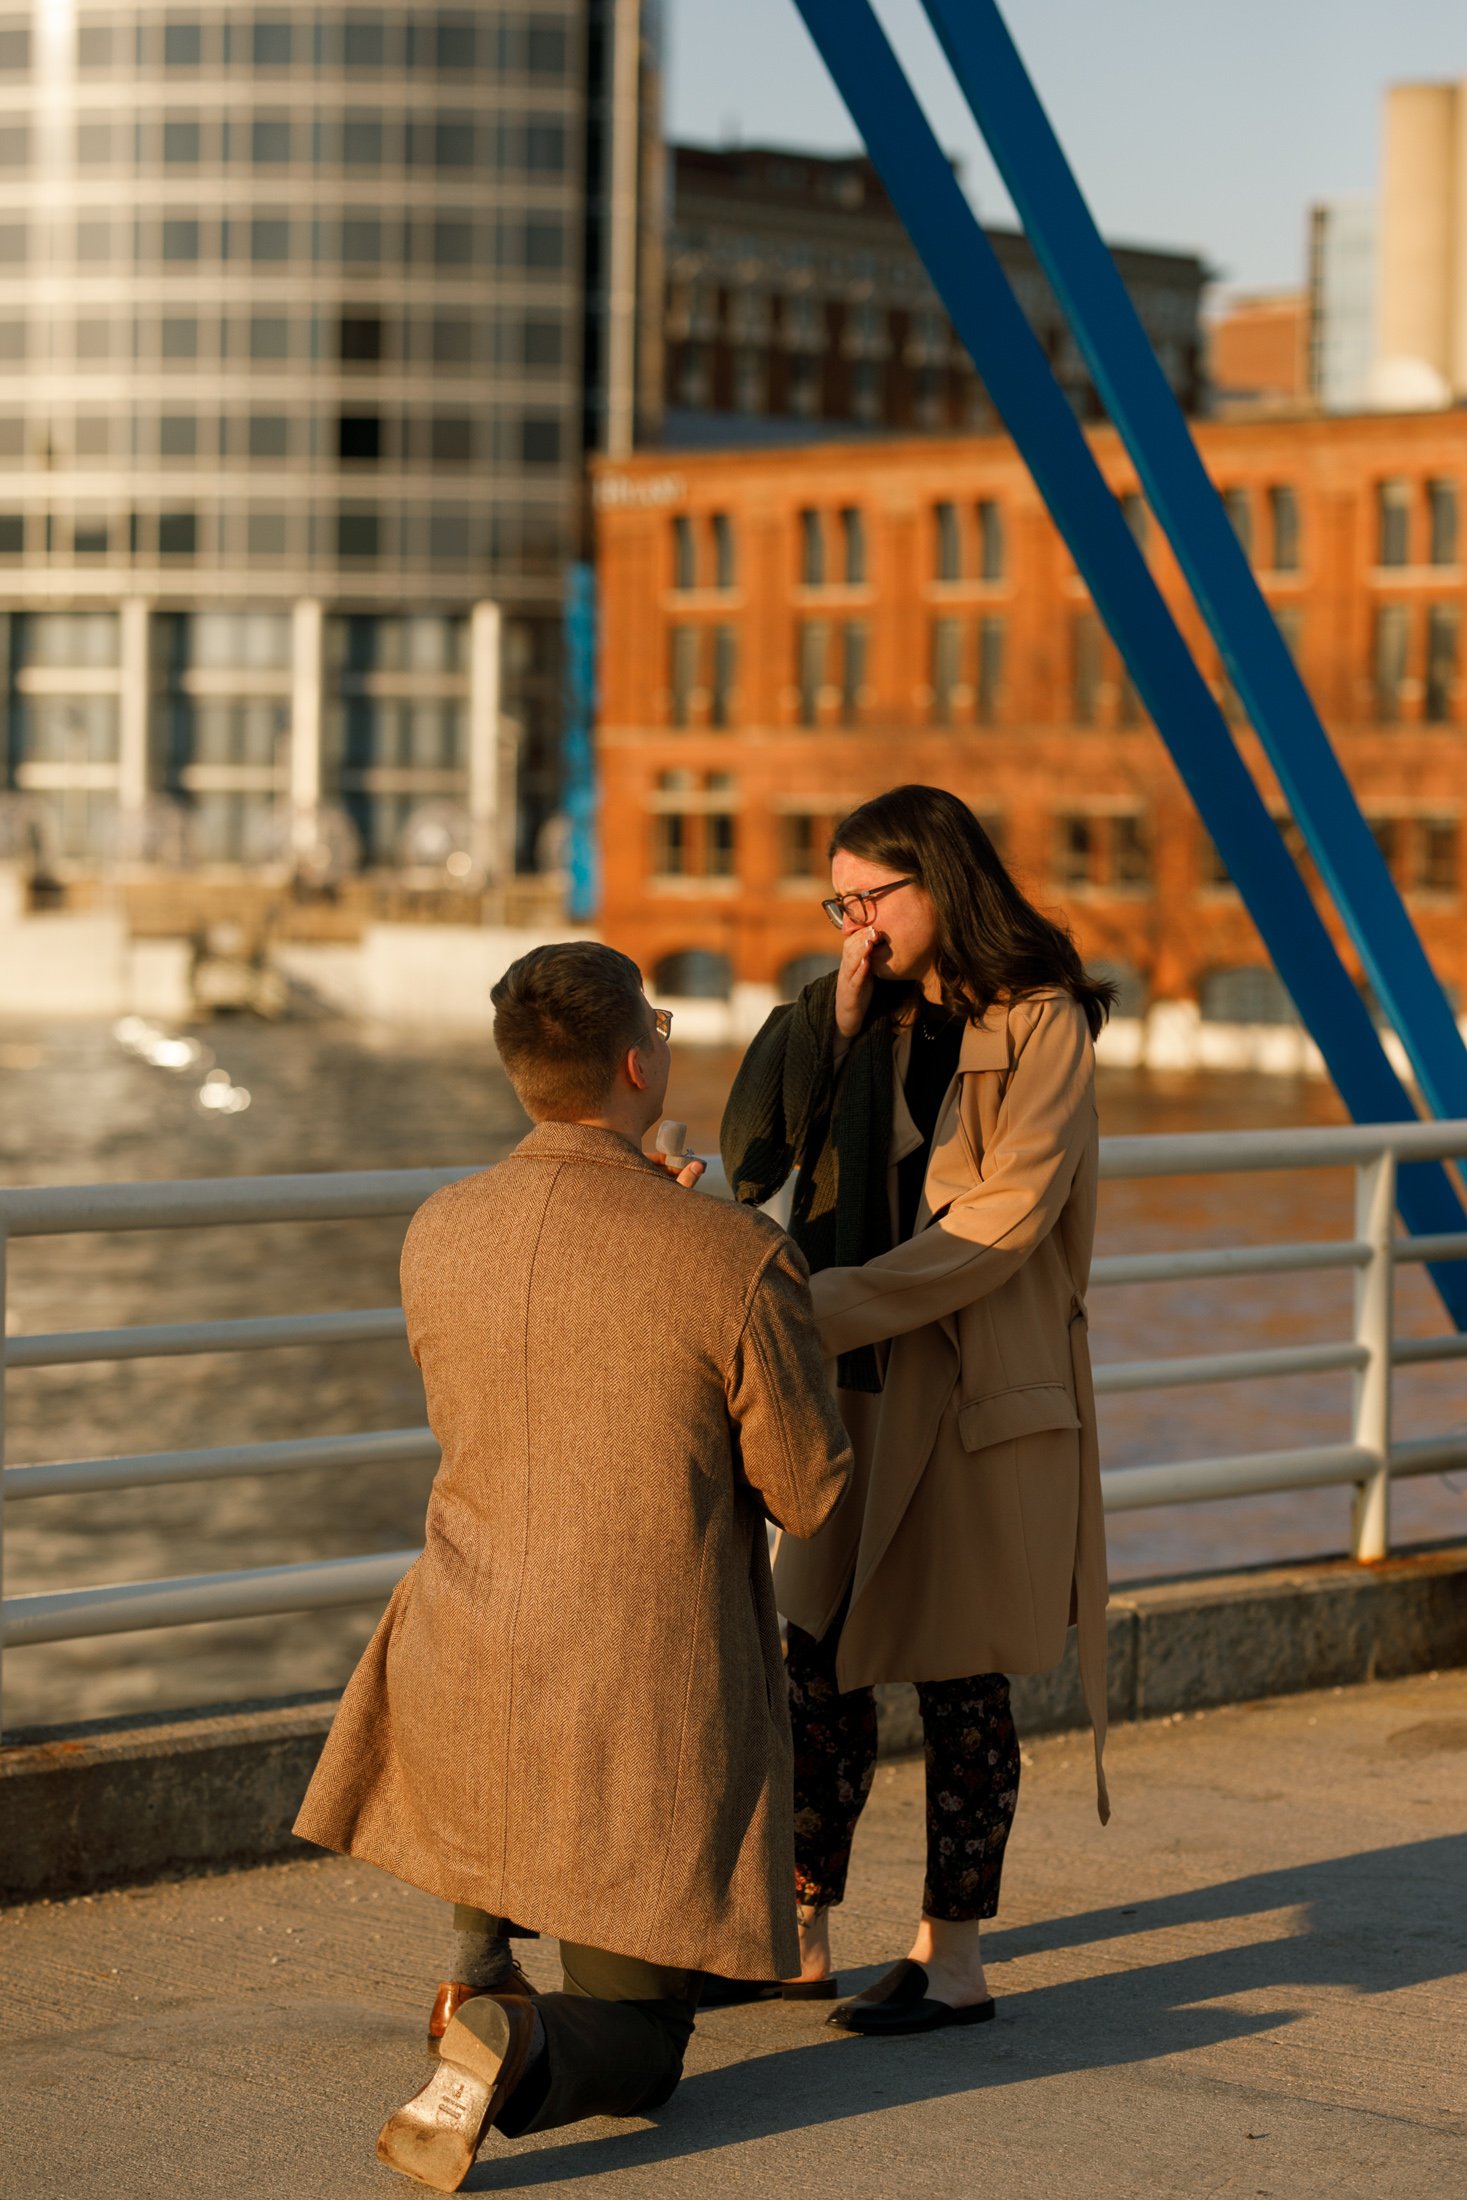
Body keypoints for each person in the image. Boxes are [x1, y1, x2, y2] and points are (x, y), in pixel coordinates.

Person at [295, 941, 852, 2190]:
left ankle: (480, 1956)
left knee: (507, 1746)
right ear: (637, 1061)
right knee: (648, 2040)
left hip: (466, 1648)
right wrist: (711, 1236)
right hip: (636, 1695)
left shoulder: (441, 1231)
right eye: (656, 1017)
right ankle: (522, 2033)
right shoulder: (733, 1257)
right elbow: (808, 1492)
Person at [721, 783, 1114, 2038]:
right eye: (837, 902)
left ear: (939, 880)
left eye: (871, 899)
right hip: (857, 1387)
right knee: (815, 1660)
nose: (855, 925)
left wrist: (824, 1305)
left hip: (971, 1389)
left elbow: (1003, 1221)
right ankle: (799, 1937)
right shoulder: (857, 1010)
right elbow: (754, 1162)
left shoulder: (1043, 1021)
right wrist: (828, 1019)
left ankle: (954, 1961)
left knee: (959, 1675)